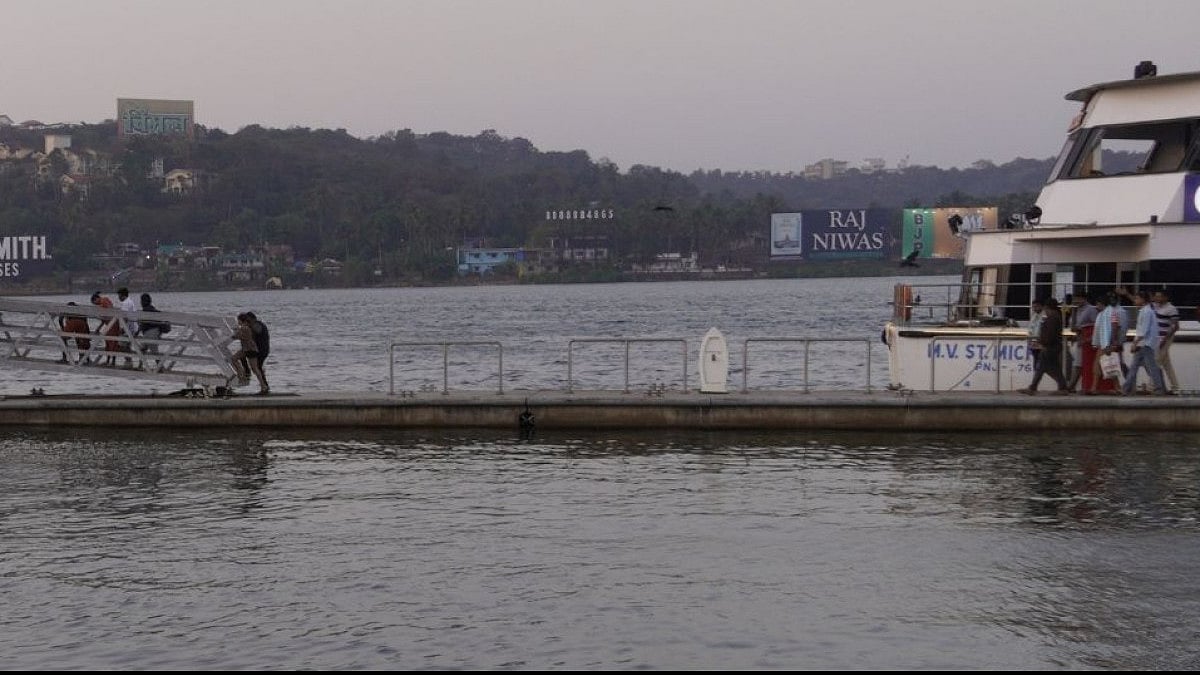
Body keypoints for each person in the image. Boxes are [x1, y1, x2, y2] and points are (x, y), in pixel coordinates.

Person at [1020, 297, 1069, 395]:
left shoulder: (1052, 318)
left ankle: (1033, 387)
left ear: (1047, 307)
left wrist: (1042, 341)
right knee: (1051, 368)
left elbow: (1049, 334)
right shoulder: (1055, 316)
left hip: (1050, 346)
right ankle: (1061, 387)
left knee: (1043, 367)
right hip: (1052, 346)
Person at [1123, 290, 1167, 395]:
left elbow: (1144, 330)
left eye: (1137, 298)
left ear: (1143, 300)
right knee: (1135, 366)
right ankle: (1126, 388)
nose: (1135, 301)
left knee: (1151, 367)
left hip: (1145, 344)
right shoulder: (1145, 311)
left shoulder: (1147, 312)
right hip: (1142, 344)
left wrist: (1135, 343)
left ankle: (1159, 388)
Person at [231, 313, 269, 395]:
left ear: (242, 321)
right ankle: (242, 374)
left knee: (255, 369)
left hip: (251, 350)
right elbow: (238, 335)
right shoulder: (245, 327)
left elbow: (239, 336)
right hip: (246, 349)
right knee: (234, 358)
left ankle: (263, 386)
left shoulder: (245, 328)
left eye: (238, 320)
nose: (237, 322)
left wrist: (235, 334)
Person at [1152, 289, 1180, 393]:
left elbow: (1175, 326)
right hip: (1157, 338)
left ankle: (1153, 387)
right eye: (1156, 296)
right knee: (1166, 364)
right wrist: (1127, 294)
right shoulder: (1156, 306)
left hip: (1166, 338)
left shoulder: (1171, 309)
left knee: (1156, 361)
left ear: (1165, 297)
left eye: (1159, 296)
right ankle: (1175, 387)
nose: (1157, 298)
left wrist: (1165, 339)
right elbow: (1142, 303)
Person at [136, 293, 171, 372]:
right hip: (155, 332)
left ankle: (160, 368)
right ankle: (141, 365)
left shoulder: (145, 311)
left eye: (141, 301)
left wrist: (137, 332)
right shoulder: (154, 311)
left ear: (143, 302)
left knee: (152, 351)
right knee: (145, 350)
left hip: (149, 333)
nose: (140, 303)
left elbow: (141, 324)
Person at [90, 290, 119, 366]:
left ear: (96, 299)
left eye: (95, 302)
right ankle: (110, 361)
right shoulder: (105, 300)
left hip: (112, 324)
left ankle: (111, 361)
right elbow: (104, 319)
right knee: (111, 343)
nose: (96, 304)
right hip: (112, 323)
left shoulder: (103, 302)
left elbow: (107, 314)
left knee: (111, 343)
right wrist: (98, 328)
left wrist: (99, 317)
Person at [116, 287, 138, 369]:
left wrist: (122, 328)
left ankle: (128, 361)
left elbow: (125, 317)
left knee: (121, 344)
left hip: (128, 328)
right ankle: (129, 362)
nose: (118, 298)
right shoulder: (131, 302)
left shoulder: (125, 303)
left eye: (119, 296)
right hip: (133, 327)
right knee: (127, 345)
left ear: (122, 295)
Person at [1026, 299, 1044, 369]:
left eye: (1036, 307)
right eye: (1033, 307)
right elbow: (1031, 328)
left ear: (1041, 306)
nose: (1034, 309)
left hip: (1040, 343)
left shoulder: (1044, 315)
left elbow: (1040, 329)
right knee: (1036, 361)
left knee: (1040, 362)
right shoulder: (1034, 315)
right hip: (1033, 343)